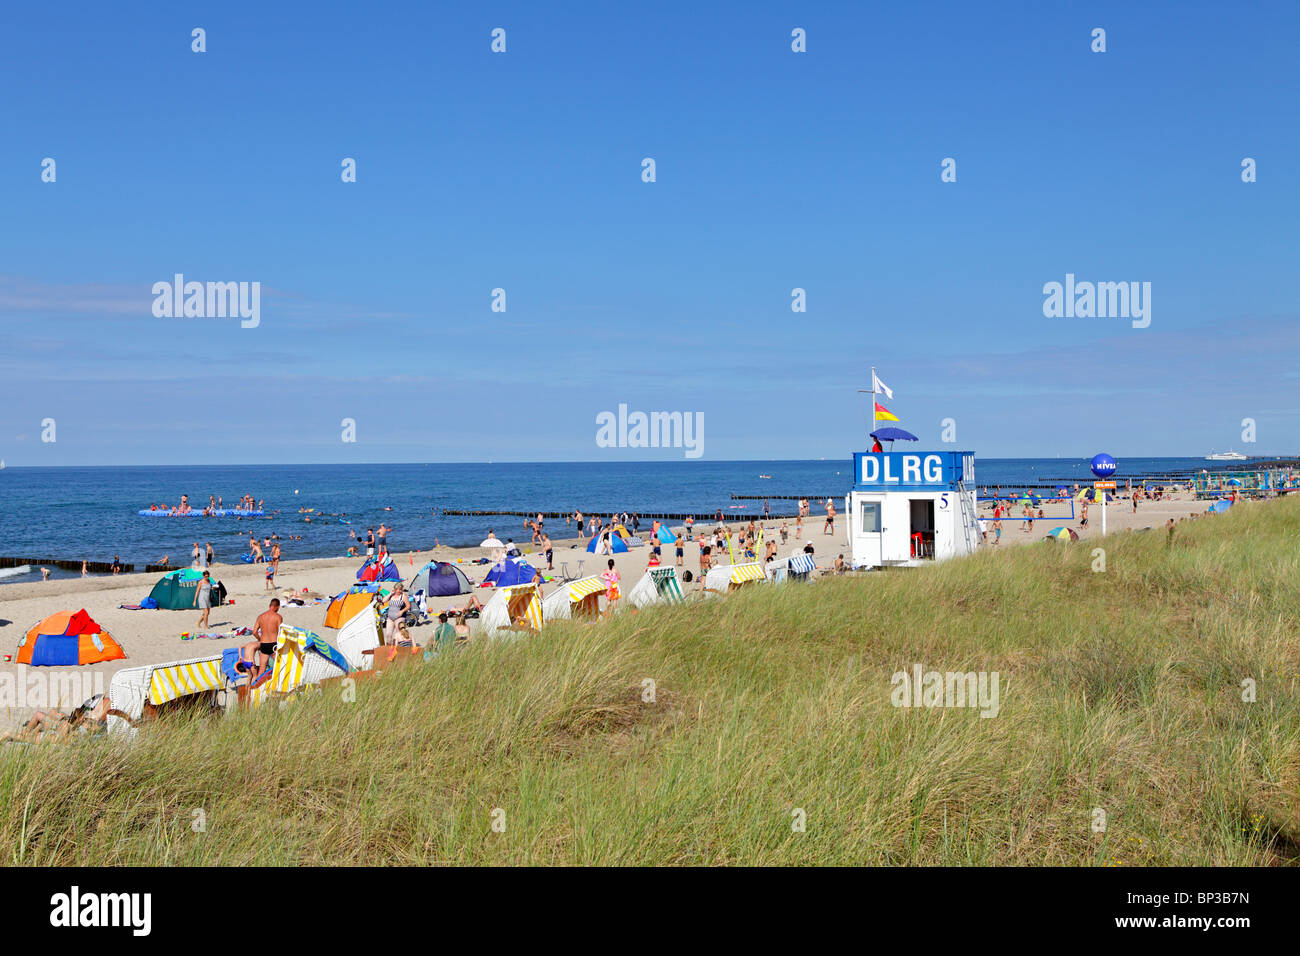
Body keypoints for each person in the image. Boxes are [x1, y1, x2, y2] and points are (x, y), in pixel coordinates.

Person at [247, 599, 283, 682]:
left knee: (261, 670)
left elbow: (254, 632)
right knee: (280, 667)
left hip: (264, 645)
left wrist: (260, 639)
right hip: (274, 644)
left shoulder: (260, 617)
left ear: (270, 606)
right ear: (276, 606)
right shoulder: (278, 617)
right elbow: (280, 632)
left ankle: (256, 690)